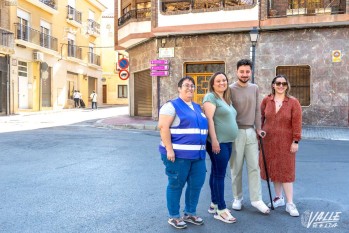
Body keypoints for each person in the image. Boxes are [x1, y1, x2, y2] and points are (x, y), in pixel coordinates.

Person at [158, 76, 208, 229]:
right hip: (178, 156)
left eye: (192, 86)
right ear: (179, 88)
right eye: (186, 85)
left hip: (198, 156)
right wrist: (169, 149)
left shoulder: (197, 107)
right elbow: (163, 127)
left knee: (196, 185)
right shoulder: (171, 106)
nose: (190, 88)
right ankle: (174, 216)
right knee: (176, 185)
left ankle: (190, 213)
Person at [229, 59, 270, 214]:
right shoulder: (230, 89)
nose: (244, 74)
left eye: (247, 71)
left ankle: (256, 199)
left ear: (251, 72)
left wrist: (259, 129)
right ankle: (237, 198)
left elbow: (258, 111)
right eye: (242, 71)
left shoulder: (255, 88)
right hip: (236, 132)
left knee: (254, 167)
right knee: (236, 168)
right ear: (237, 72)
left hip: (251, 132)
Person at [259, 75, 302, 217]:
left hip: (286, 142)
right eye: (278, 83)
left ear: (287, 86)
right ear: (273, 85)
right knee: (274, 169)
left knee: (286, 170)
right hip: (268, 141)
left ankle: (290, 203)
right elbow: (260, 118)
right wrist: (259, 132)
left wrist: (295, 141)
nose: (281, 86)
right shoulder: (266, 100)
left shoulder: (293, 102)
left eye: (284, 83)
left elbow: (297, 123)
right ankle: (278, 198)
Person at [203, 72, 238, 224]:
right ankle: (221, 210)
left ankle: (214, 204)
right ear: (212, 83)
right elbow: (209, 119)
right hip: (218, 142)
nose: (222, 83)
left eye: (224, 80)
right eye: (218, 81)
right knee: (219, 175)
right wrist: (215, 140)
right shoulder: (211, 97)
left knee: (216, 173)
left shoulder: (225, 99)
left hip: (227, 142)